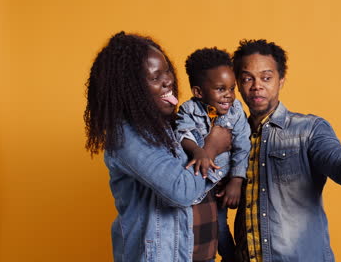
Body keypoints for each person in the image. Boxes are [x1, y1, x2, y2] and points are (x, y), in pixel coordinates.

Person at [231, 39, 341, 262]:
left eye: (266, 77)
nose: (257, 86)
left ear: (281, 80)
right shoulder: (234, 137)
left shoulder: (309, 130)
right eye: (247, 78)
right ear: (237, 83)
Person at [83, 31, 231, 262]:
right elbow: (182, 191)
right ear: (130, 89)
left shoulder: (171, 125)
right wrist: (212, 148)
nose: (168, 81)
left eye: (167, 71)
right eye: (155, 78)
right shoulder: (127, 137)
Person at [175, 47, 251, 262]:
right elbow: (182, 134)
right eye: (220, 89)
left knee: (220, 227)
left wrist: (236, 181)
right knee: (195, 230)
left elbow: (243, 146)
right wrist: (198, 151)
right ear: (199, 92)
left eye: (232, 88)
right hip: (197, 182)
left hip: (220, 185)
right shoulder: (188, 109)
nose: (229, 95)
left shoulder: (236, 111)